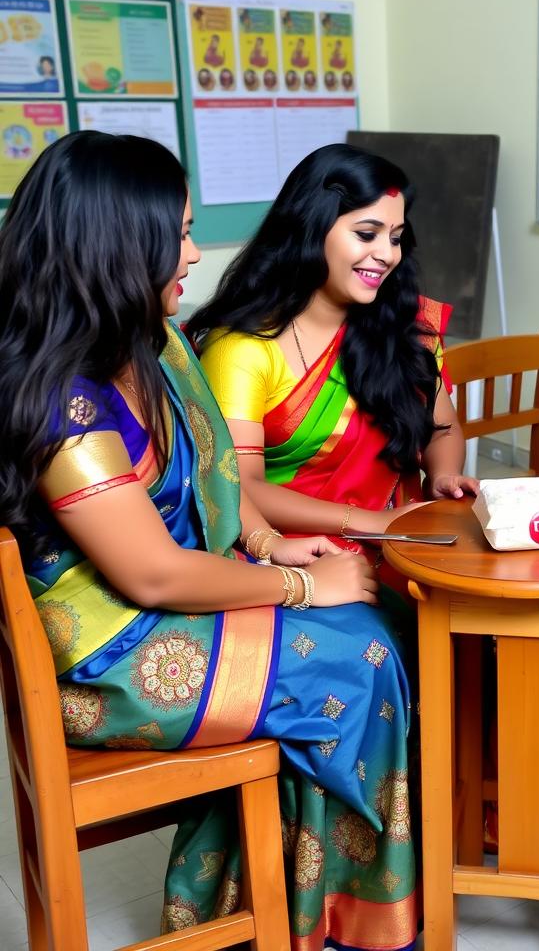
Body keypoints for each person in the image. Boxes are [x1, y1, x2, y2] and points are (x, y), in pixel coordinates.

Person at [0, 131, 420, 951]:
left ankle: (272, 908)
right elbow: (153, 574)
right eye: (179, 234)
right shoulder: (66, 401)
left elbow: (216, 483)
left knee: (368, 631)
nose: (194, 252)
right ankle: (325, 922)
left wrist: (269, 548)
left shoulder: (148, 345)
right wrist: (305, 588)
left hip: (157, 602)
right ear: (120, 247)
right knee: (360, 654)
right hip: (110, 650)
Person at [188, 143, 476, 584]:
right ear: (311, 228)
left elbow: (444, 427)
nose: (387, 255)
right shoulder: (243, 348)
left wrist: (443, 474)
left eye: (396, 238)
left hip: (403, 532)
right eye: (367, 234)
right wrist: (368, 523)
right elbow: (241, 486)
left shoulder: (406, 325)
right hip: (296, 548)